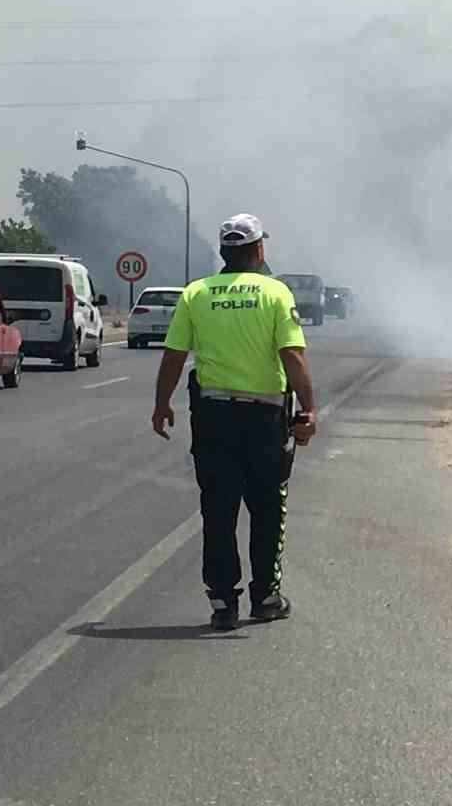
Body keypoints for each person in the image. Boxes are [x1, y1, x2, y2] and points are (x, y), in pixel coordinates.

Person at [152, 213, 318, 631]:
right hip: (265, 419)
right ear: (259, 249)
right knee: (267, 509)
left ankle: (223, 602)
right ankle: (265, 597)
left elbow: (173, 356)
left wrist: (161, 404)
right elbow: (292, 357)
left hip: (214, 419)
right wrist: (309, 410)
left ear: (224, 252)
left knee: (218, 510)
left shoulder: (196, 294)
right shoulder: (275, 293)